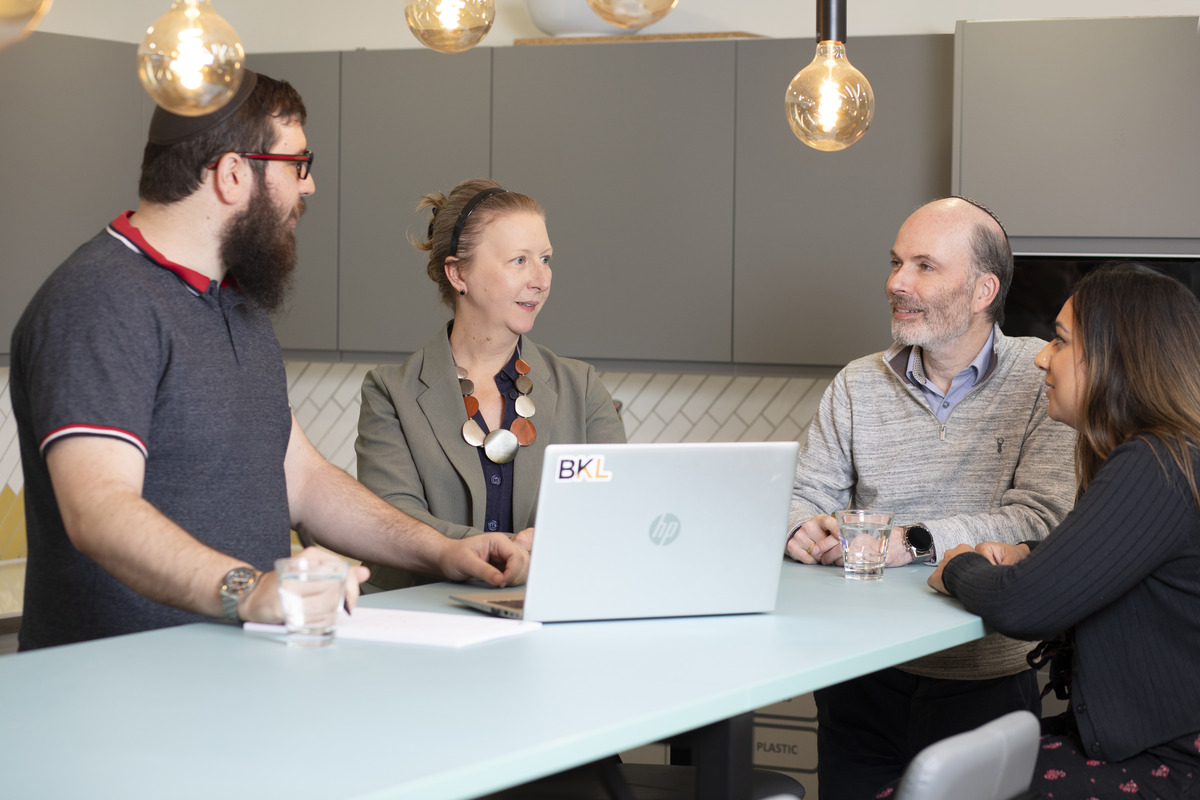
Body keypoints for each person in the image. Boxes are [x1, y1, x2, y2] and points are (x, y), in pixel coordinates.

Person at [10, 71, 527, 652]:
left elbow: (303, 481)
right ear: (233, 174)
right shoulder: (99, 301)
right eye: (296, 165)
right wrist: (248, 591)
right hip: (116, 689)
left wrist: (441, 549)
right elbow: (99, 511)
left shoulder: (238, 304)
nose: (308, 187)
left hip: (230, 677)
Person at [783, 197, 1078, 797]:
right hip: (857, 674)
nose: (896, 283)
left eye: (924, 266)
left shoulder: (1044, 377)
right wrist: (797, 526)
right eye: (895, 263)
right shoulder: (858, 382)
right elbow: (801, 491)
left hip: (984, 682)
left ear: (981, 290)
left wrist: (911, 542)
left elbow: (1040, 517)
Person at [927, 263, 1200, 800]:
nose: (1040, 357)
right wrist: (1031, 553)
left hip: (1168, 760)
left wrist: (958, 565)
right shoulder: (1171, 457)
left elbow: (1024, 607)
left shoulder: (1154, 462)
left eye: (1060, 341)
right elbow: (1122, 564)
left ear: (1118, 359)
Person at [355, 178, 625, 590]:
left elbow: (616, 507)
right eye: (519, 260)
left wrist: (554, 543)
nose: (541, 279)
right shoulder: (390, 393)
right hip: (425, 627)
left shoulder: (582, 387)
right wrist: (507, 549)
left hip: (544, 621)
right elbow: (395, 520)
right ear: (457, 272)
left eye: (546, 259)